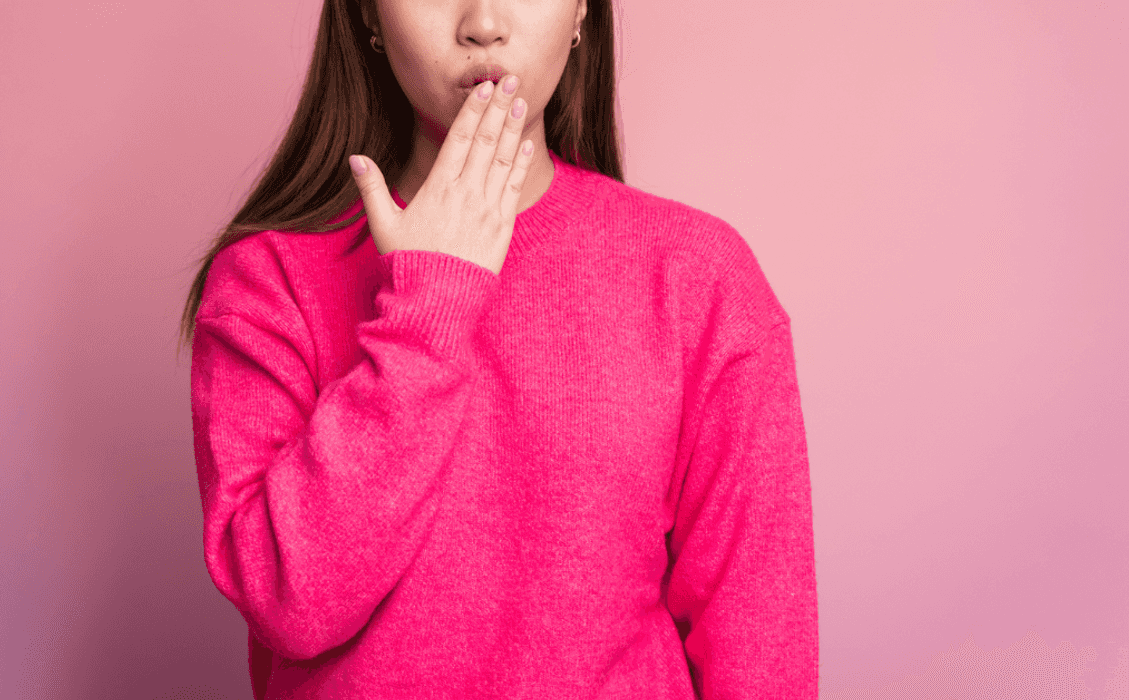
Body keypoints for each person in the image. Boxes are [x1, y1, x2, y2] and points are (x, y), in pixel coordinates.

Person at [180, 0, 819, 697]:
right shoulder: (268, 279)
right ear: (369, 15)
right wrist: (427, 309)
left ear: (580, 11)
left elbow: (760, 649)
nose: (482, 23)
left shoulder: (699, 277)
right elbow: (293, 604)